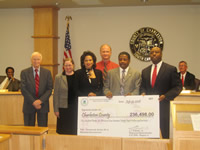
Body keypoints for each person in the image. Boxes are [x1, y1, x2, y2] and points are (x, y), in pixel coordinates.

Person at [140, 46, 182, 139]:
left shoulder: (170, 69)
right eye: (152, 53)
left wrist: (166, 96)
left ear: (161, 54)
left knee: (165, 134)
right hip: (149, 108)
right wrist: (143, 93)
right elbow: (142, 87)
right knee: (149, 134)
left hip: (164, 106)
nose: (154, 54)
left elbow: (178, 86)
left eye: (156, 52)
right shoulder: (145, 71)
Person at [20, 52, 53, 127]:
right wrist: (34, 101)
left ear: (41, 60)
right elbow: (23, 89)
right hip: (29, 104)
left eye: (38, 59)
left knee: (43, 129)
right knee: (28, 129)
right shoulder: (24, 72)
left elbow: (49, 89)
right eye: (34, 59)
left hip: (43, 105)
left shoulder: (47, 72)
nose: (36, 61)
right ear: (31, 60)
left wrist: (40, 101)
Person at [53, 58, 77, 134]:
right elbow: (56, 94)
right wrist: (56, 109)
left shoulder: (78, 76)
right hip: (63, 107)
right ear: (63, 66)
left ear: (73, 65)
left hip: (75, 107)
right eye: (66, 65)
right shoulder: (58, 77)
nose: (68, 67)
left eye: (69, 65)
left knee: (74, 129)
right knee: (63, 130)